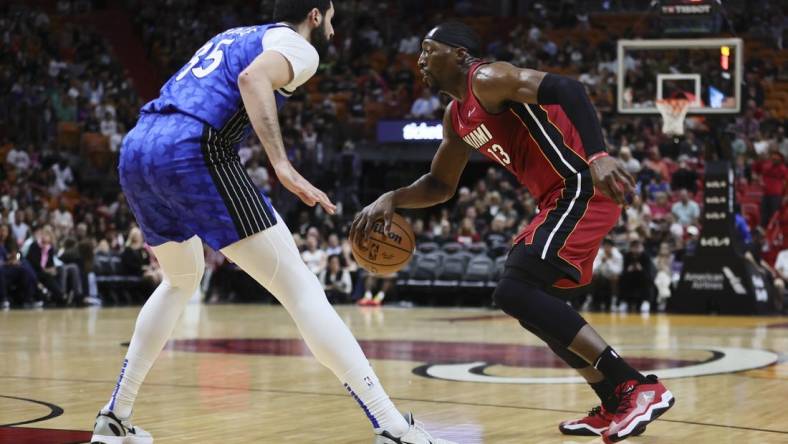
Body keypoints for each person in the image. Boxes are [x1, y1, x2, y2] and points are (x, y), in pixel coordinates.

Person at [90, 3, 451, 444]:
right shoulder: (299, 46)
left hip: (138, 145)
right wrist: (282, 166)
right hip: (192, 149)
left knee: (179, 280)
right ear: (315, 15)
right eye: (332, 17)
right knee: (301, 288)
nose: (334, 29)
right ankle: (392, 426)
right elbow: (252, 79)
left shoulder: (234, 35)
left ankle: (115, 416)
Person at [351, 21, 673, 443]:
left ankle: (635, 386)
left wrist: (598, 155)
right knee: (536, 306)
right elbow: (440, 185)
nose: (421, 59)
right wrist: (392, 197)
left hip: (581, 185)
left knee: (515, 289)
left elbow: (571, 89)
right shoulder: (456, 116)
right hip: (558, 199)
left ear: (460, 55)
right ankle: (612, 399)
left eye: (430, 50)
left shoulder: (487, 78)